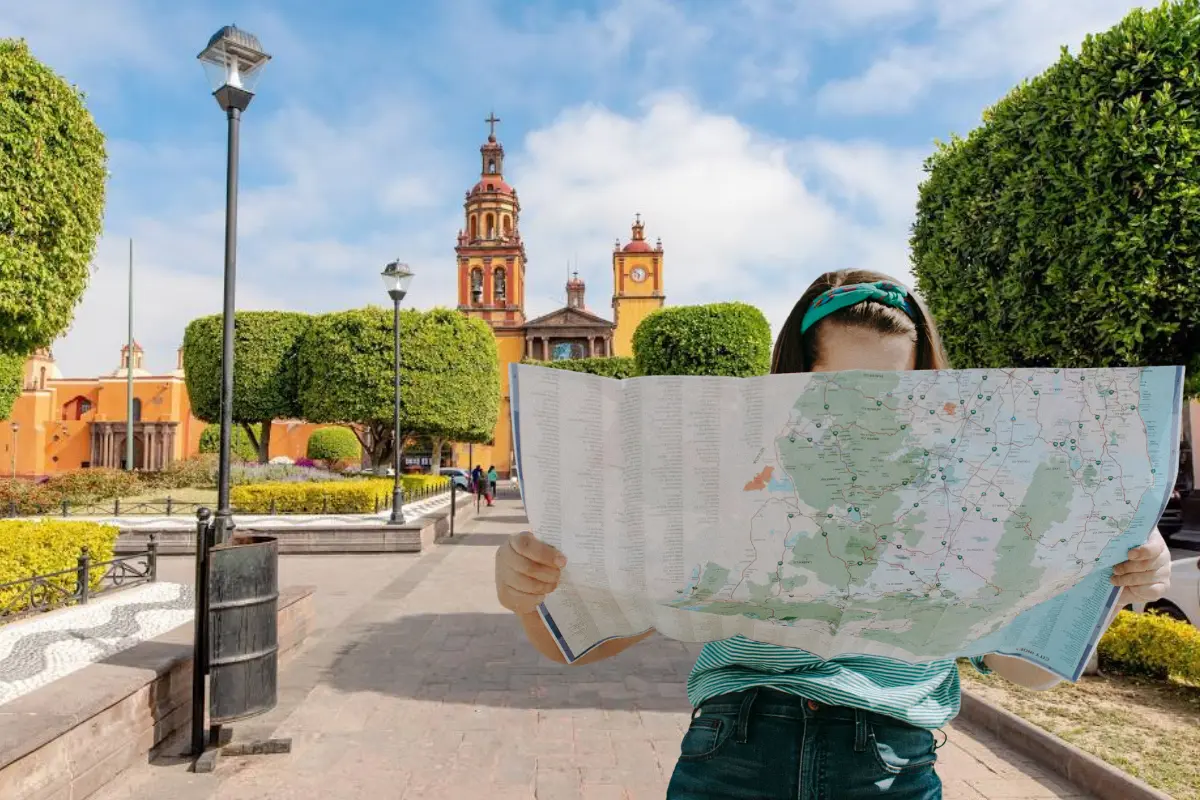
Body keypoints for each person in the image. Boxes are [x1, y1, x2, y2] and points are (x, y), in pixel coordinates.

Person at [493, 269, 1173, 800]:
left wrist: (1114, 581)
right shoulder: (732, 474)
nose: (859, 411)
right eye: (835, 387)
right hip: (733, 752)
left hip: (891, 765)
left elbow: (1026, 671)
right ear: (792, 381)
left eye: (888, 391)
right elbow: (586, 638)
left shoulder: (970, 493)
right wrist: (527, 593)